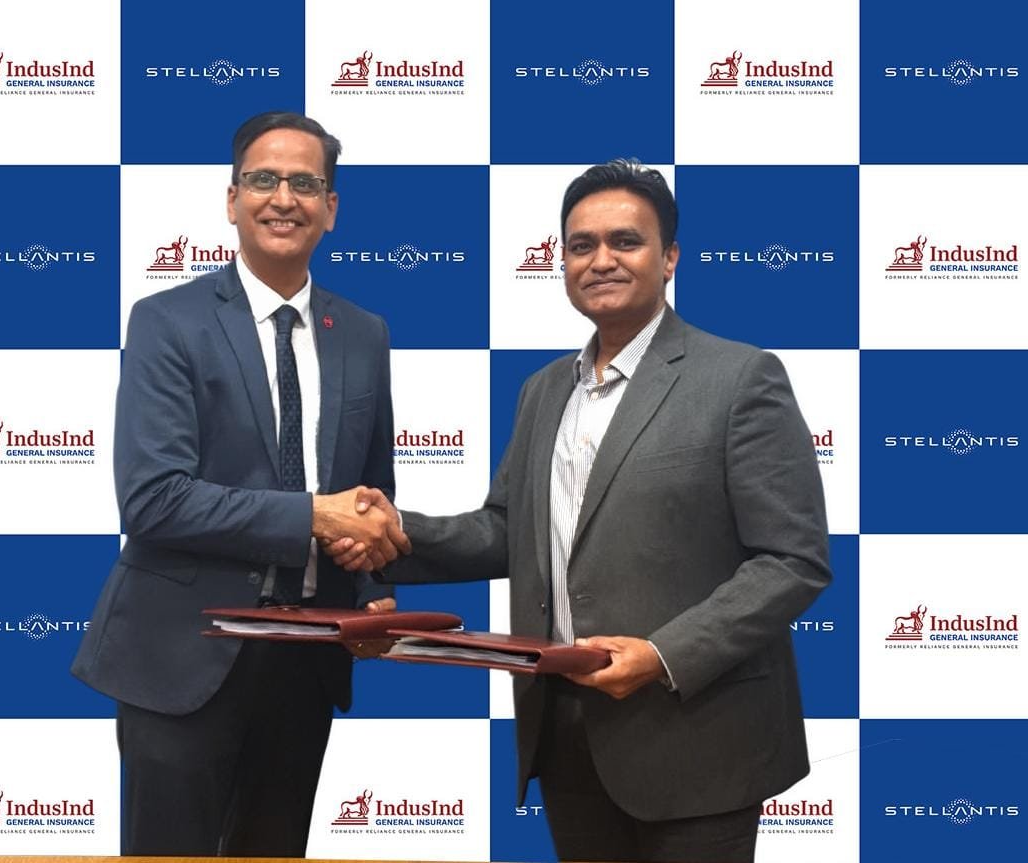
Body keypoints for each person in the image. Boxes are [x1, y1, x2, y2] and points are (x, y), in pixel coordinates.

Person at [330, 159, 831, 863]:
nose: (601, 260)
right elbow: (506, 531)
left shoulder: (741, 378)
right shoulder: (543, 390)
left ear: (670, 257)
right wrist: (394, 533)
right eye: (580, 245)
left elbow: (792, 560)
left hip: (698, 738)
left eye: (626, 241)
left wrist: (662, 655)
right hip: (565, 733)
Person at [72, 111, 407, 857]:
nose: (284, 198)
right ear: (232, 200)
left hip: (306, 660)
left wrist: (371, 586)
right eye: (263, 179)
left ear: (331, 208)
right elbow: (153, 499)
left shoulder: (364, 333)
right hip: (182, 653)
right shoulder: (166, 321)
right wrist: (314, 516)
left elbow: (369, 491)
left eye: (305, 183)